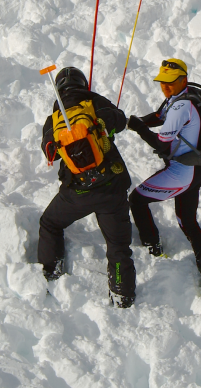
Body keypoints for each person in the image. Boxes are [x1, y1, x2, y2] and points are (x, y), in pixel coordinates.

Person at [125, 59, 201, 298]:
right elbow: (160, 116)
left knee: (137, 199)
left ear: (183, 79)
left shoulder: (181, 106)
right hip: (196, 168)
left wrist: (139, 128)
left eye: (170, 82)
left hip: (182, 172)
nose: (165, 87)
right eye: (162, 82)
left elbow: (162, 144)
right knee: (188, 222)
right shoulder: (186, 96)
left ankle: (152, 246)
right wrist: (135, 121)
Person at [36, 67, 135, 307]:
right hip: (111, 188)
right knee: (118, 246)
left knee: (50, 223)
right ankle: (122, 295)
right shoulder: (95, 102)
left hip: (77, 192)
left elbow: (50, 154)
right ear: (83, 84)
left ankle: (51, 272)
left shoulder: (54, 118)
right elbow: (120, 121)